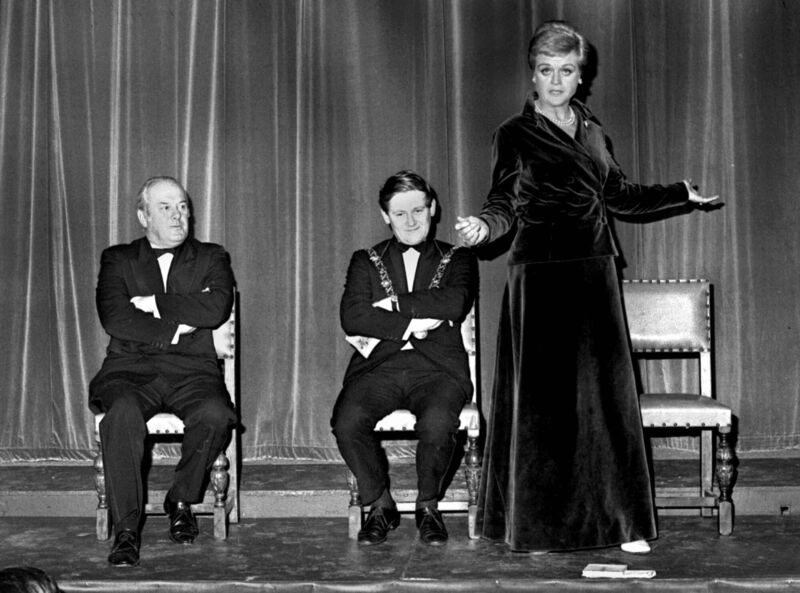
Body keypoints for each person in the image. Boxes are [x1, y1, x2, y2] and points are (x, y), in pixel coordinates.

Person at [455, 21, 720, 554]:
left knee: (606, 402)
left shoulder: (594, 131)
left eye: (567, 70)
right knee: (543, 408)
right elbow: (503, 201)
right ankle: (540, 527)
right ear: (533, 75)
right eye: (546, 70)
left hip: (595, 271)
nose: (556, 81)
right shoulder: (513, 133)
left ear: (581, 77)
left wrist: (679, 194)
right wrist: (485, 227)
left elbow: (620, 196)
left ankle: (621, 525)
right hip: (540, 275)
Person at [89, 176, 237, 566]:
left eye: (183, 206)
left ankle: (181, 500)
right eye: (165, 207)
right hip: (129, 370)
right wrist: (179, 329)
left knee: (216, 415)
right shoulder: (118, 259)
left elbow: (215, 309)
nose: (177, 215)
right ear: (144, 216)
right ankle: (126, 530)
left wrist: (153, 304)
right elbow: (116, 318)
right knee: (121, 413)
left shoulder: (212, 257)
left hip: (193, 372)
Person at [331, 170, 478, 546]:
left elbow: (454, 302)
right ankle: (381, 505)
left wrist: (392, 304)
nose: (410, 222)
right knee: (347, 421)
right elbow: (353, 316)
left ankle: (428, 505)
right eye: (399, 213)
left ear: (433, 209)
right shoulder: (365, 260)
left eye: (418, 210)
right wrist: (415, 323)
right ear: (385, 216)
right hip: (378, 368)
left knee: (438, 423)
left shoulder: (458, 257)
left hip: (439, 370)